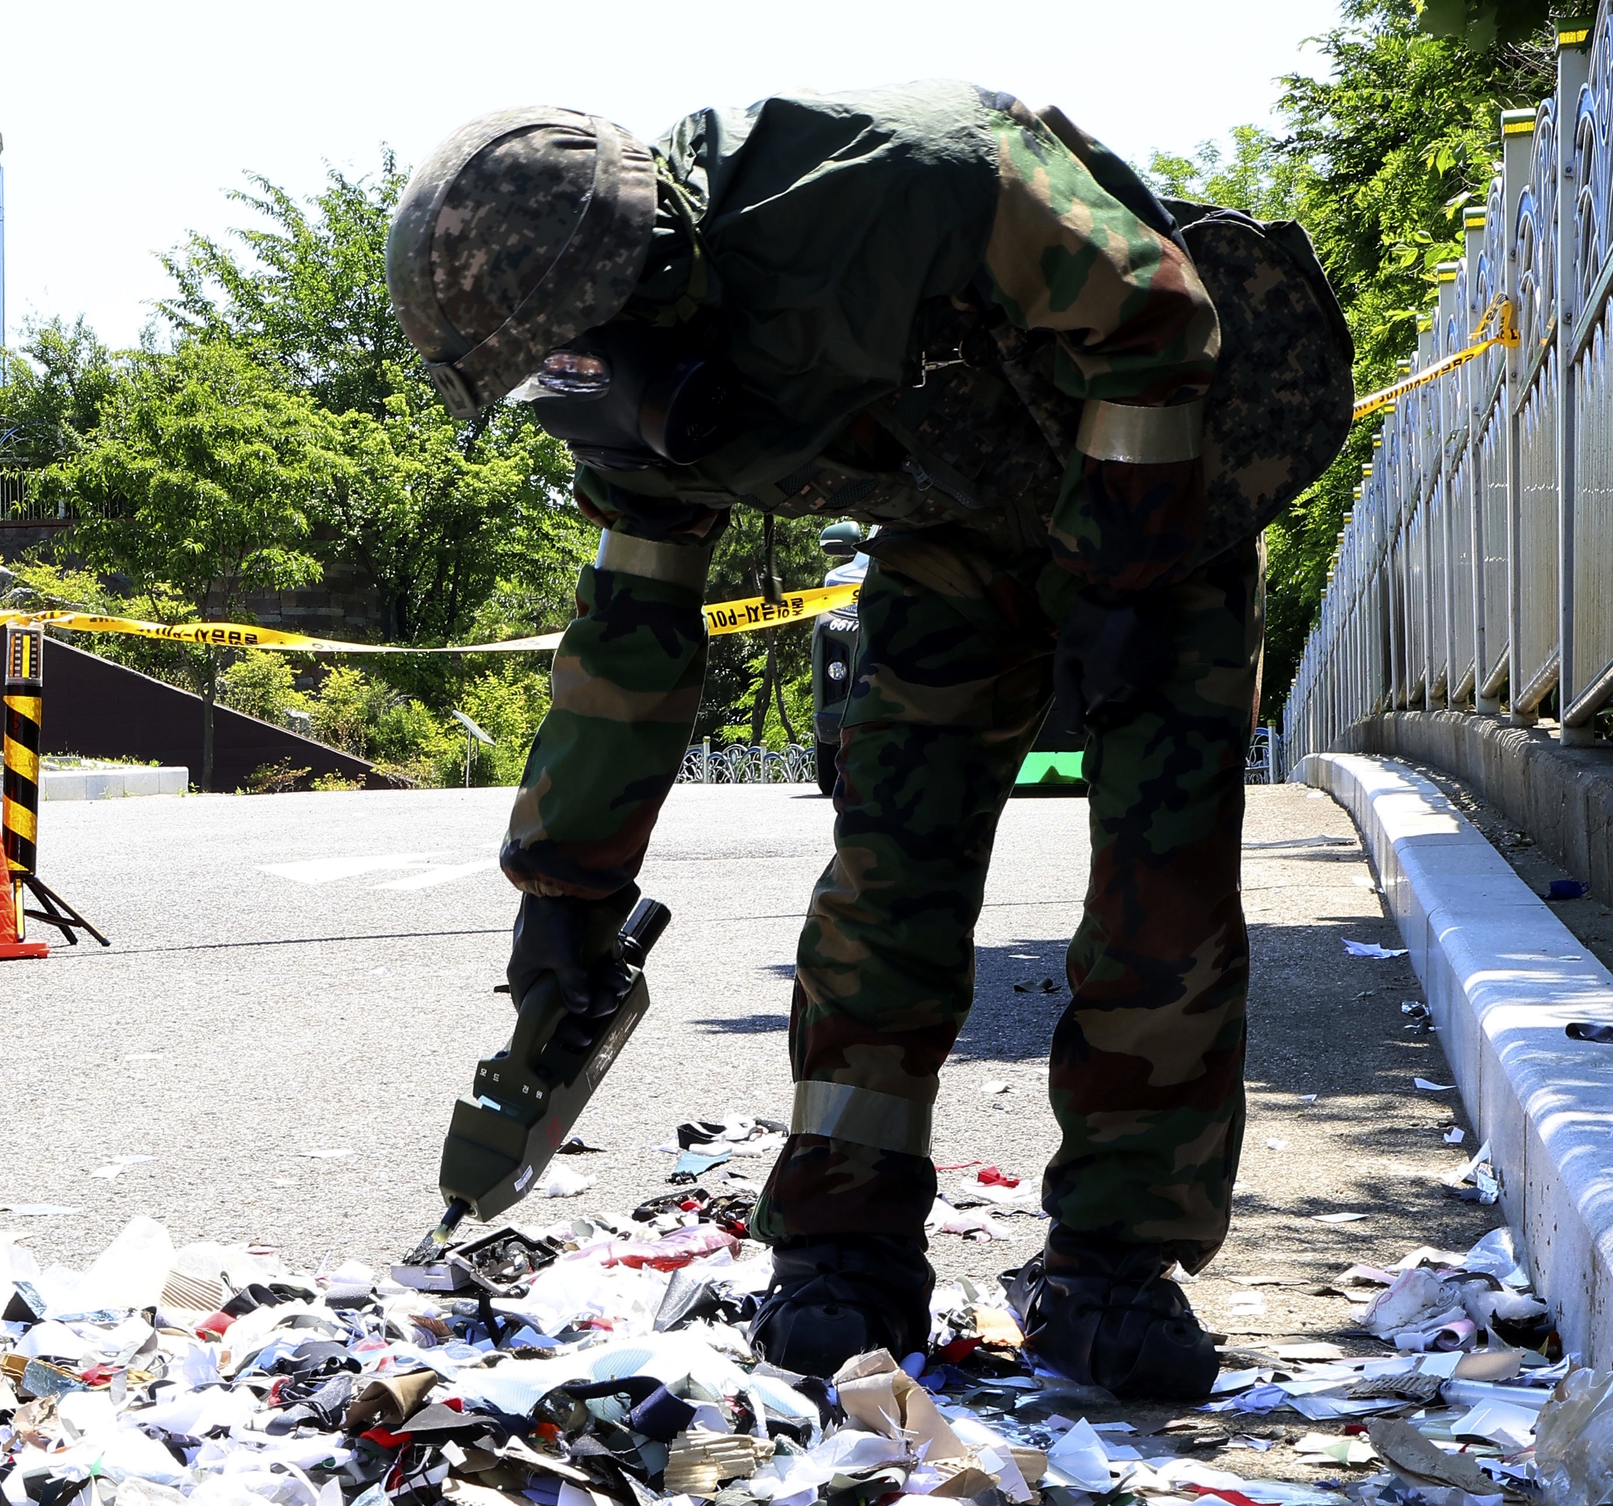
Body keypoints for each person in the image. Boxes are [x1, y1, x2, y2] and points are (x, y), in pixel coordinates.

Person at [389, 84, 1340, 1401]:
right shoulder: (610, 393)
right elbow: (629, 640)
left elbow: (1157, 307)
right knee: (890, 863)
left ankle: (1114, 1261)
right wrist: (566, 897)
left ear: (653, 283)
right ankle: (844, 1244)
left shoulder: (901, 184)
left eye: (579, 355)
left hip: (1153, 466)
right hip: (952, 520)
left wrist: (1129, 574)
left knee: (1160, 875)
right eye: (549, 374)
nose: (576, 395)